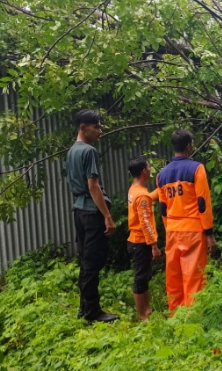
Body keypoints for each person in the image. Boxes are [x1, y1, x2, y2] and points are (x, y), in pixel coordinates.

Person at [65, 109, 119, 323]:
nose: (100, 130)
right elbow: (93, 186)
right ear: (82, 128)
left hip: (78, 210)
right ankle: (93, 312)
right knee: (93, 262)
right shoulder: (89, 151)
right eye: (96, 126)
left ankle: (84, 307)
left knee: (86, 262)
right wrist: (107, 216)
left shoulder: (71, 151)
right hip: (91, 212)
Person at [156, 129, 217, 315]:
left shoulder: (161, 175)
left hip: (172, 231)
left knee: (173, 278)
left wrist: (170, 229)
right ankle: (193, 320)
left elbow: (162, 209)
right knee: (194, 277)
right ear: (189, 146)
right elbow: (202, 204)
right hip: (193, 231)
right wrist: (209, 235)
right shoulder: (197, 168)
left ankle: (176, 319)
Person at [127, 156, 162, 320]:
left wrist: (160, 189)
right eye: (149, 167)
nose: (150, 169)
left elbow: (148, 198)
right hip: (141, 243)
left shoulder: (134, 190)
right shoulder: (141, 196)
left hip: (135, 241)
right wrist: (154, 246)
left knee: (144, 277)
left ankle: (147, 310)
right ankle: (142, 316)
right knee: (140, 279)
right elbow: (145, 223)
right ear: (143, 171)